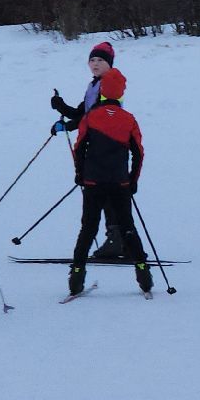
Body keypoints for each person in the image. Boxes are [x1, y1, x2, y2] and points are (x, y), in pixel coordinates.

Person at [69, 67, 152, 297]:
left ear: (103, 92)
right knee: (127, 227)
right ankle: (143, 273)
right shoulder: (129, 120)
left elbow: (79, 148)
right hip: (120, 184)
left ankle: (76, 275)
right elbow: (139, 153)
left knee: (88, 228)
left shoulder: (90, 117)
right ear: (121, 94)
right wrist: (132, 180)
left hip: (93, 182)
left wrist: (80, 174)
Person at [52, 41, 129, 260]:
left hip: (106, 144)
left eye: (100, 60)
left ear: (109, 64)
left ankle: (117, 239)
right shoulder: (95, 84)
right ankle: (120, 238)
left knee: (105, 192)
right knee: (106, 193)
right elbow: (82, 113)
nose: (95, 64)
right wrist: (61, 107)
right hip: (97, 143)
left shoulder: (110, 85)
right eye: (92, 60)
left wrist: (69, 124)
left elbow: (91, 117)